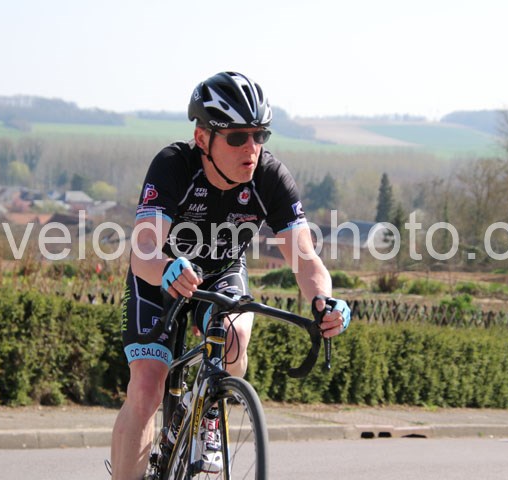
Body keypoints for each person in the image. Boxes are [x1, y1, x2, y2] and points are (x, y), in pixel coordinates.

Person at [110, 71, 351, 480]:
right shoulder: (173, 165)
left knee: (234, 339)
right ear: (202, 138)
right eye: (237, 137)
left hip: (221, 272)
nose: (251, 148)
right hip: (162, 274)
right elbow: (144, 250)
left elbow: (306, 259)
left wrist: (324, 300)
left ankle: (210, 411)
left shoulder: (270, 178)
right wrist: (166, 266)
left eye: (260, 135)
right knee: (147, 389)